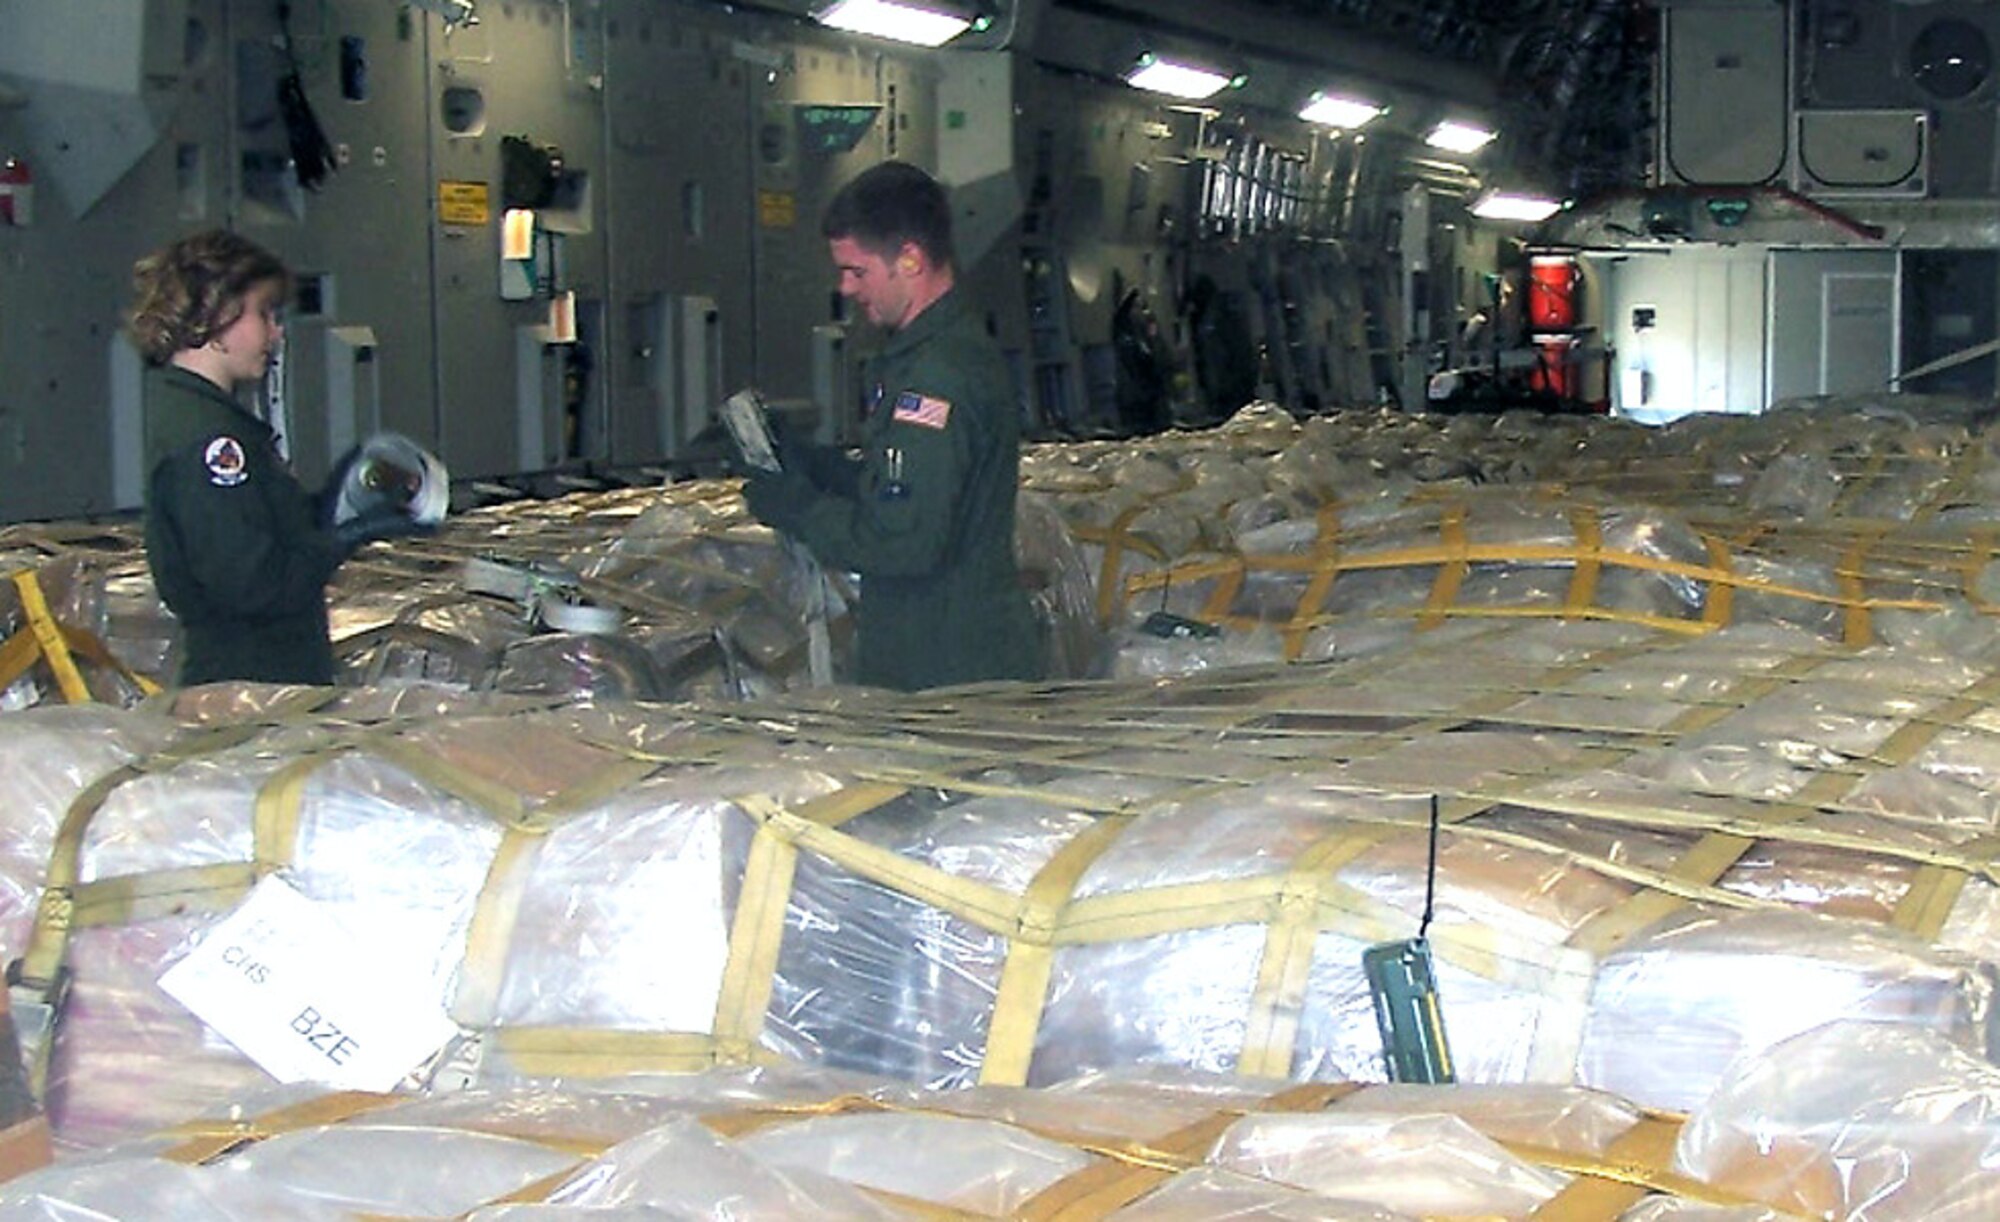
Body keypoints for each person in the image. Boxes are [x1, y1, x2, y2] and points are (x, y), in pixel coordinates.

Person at [742, 161, 1042, 691]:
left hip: (946, 668)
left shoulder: (937, 378)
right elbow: (905, 489)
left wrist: (800, 507)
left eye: (857, 271)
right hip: (935, 651)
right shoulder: (931, 356)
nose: (846, 288)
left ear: (910, 260)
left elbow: (903, 542)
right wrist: (814, 467)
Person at [127, 229, 416, 687]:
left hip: (265, 683)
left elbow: (263, 533)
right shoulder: (209, 440)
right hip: (252, 688)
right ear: (218, 314)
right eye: (265, 314)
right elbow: (253, 585)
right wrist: (345, 536)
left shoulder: (207, 417)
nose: (276, 333)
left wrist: (332, 504)